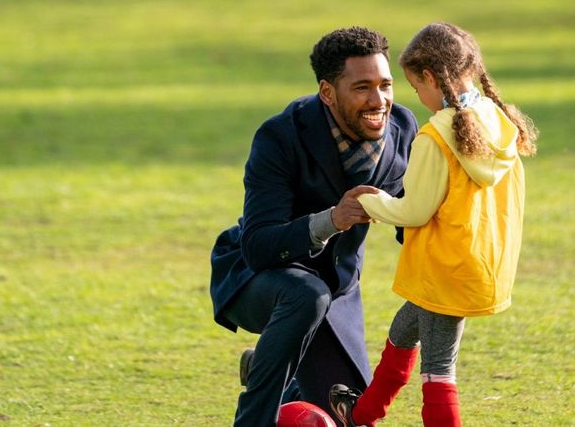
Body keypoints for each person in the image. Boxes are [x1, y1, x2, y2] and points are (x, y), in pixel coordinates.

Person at [328, 22, 538, 427]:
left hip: (446, 267)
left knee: (439, 370)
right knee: (402, 332)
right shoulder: (496, 118)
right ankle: (363, 414)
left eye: (414, 86)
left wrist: (368, 201)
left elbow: (414, 212)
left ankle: (366, 415)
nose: (416, 97)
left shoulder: (436, 135)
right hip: (477, 264)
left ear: (429, 77)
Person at [209, 26, 418, 426]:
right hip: (257, 278)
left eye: (386, 85)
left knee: (351, 416)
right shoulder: (280, 135)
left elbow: (409, 220)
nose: (379, 101)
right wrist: (331, 220)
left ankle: (272, 367)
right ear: (327, 92)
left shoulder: (403, 130)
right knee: (307, 294)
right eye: (362, 87)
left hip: (337, 291)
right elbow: (258, 245)